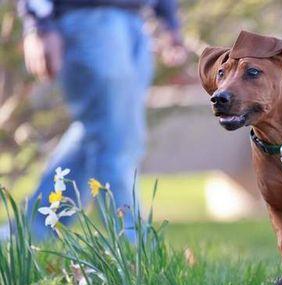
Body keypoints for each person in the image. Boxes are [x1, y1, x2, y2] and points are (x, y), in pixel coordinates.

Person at [0, 0, 187, 241]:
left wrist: (169, 20)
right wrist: (38, 24)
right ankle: (131, 249)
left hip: (136, 20)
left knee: (101, 130)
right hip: (86, 18)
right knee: (118, 140)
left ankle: (33, 230)